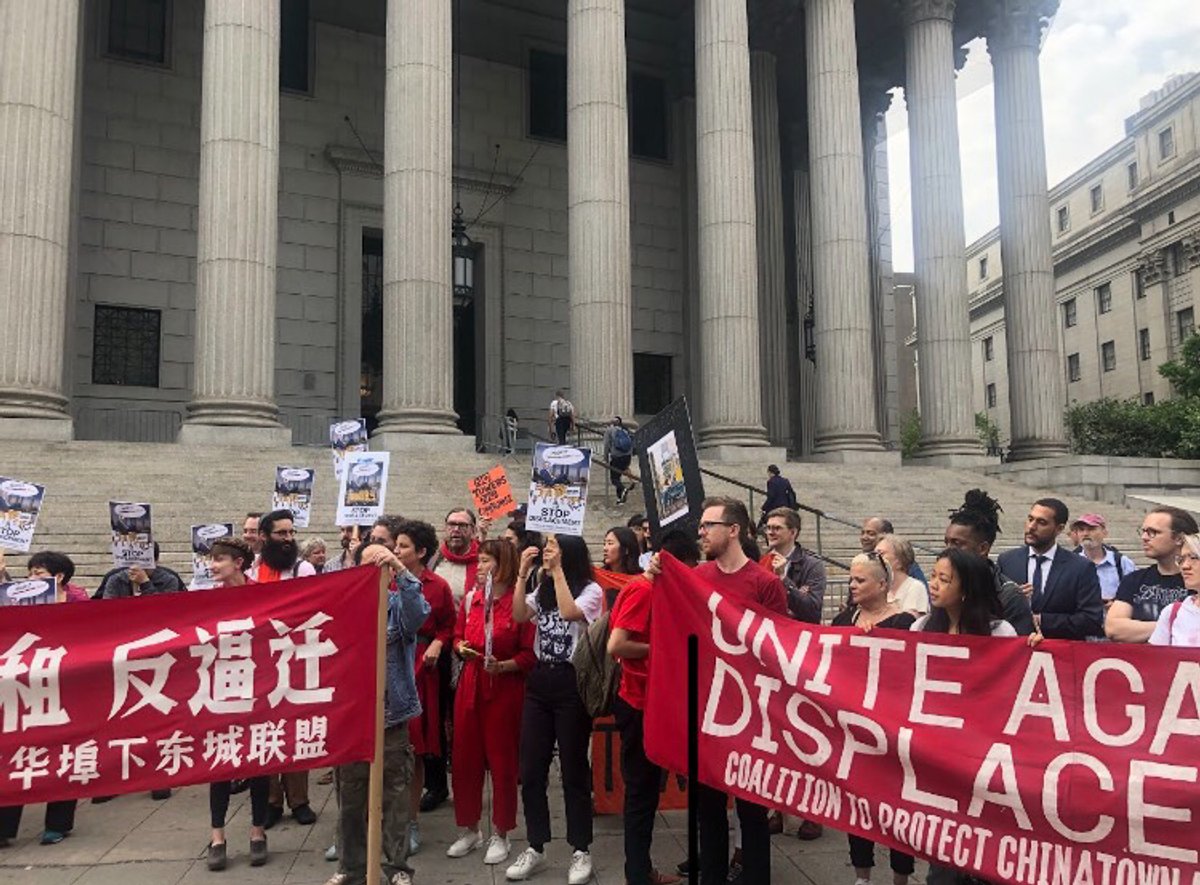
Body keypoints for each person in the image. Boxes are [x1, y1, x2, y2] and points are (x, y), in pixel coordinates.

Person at [914, 548, 1039, 885]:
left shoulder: (1000, 633)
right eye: (934, 576)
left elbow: (1013, 691)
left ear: (966, 589)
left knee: (987, 856)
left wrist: (1035, 653)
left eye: (944, 579)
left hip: (985, 760)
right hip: (937, 758)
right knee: (942, 864)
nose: (934, 585)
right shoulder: (920, 628)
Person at [688, 496, 787, 885]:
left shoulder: (765, 584)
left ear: (734, 530)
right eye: (700, 525)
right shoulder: (696, 577)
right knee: (708, 809)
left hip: (751, 713)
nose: (701, 531)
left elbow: (779, 647)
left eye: (708, 524)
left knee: (752, 810)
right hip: (709, 709)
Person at [324, 540, 429, 885]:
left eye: (381, 566)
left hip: (390, 716)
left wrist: (399, 569)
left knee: (394, 799)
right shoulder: (343, 608)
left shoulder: (398, 607)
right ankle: (350, 867)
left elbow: (419, 613)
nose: (375, 573)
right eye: (368, 566)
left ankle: (396, 867)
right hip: (351, 719)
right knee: (351, 799)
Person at [506, 535, 603, 883]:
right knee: (531, 769)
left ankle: (581, 848)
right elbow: (519, 614)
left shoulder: (590, 589)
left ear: (569, 554)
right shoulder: (541, 587)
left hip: (571, 682)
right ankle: (536, 845)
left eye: (553, 548)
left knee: (574, 768)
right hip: (539, 681)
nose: (547, 553)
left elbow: (569, 612)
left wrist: (557, 572)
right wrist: (521, 575)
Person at [608, 530, 696, 885]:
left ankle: (640, 871)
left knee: (645, 791)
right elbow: (618, 644)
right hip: (639, 703)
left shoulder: (649, 587)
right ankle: (639, 874)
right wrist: (664, 646)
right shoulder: (644, 590)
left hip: (650, 699)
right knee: (642, 793)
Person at [446, 540, 536, 867]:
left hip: (505, 687)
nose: (480, 567)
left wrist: (503, 665)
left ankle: (502, 830)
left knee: (502, 761)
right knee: (465, 757)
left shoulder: (520, 603)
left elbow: (528, 655)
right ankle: (469, 827)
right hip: (470, 682)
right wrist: (462, 648)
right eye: (480, 561)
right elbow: (457, 636)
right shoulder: (472, 599)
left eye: (486, 561)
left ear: (504, 564)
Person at [833, 551, 917, 885]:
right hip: (855, 730)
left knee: (899, 809)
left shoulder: (905, 624)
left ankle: (901, 876)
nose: (852, 585)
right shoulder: (843, 621)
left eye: (860, 580)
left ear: (882, 584)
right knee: (858, 806)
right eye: (851, 579)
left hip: (894, 732)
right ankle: (862, 877)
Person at [0, 552, 90, 847]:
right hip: (23, 686)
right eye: (29, 573)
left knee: (64, 751)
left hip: (65, 686)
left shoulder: (78, 604)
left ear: (58, 577)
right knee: (14, 751)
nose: (31, 579)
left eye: (37, 573)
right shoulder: (15, 601)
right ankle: (4, 825)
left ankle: (58, 824)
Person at [201, 536, 270, 871]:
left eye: (219, 559)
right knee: (220, 762)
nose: (212, 565)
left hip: (256, 687)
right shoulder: (207, 601)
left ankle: (258, 832)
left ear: (239, 563)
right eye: (210, 559)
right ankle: (218, 836)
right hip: (219, 689)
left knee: (258, 760)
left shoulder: (263, 595)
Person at [392, 520, 455, 858]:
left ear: (420, 552)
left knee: (414, 748)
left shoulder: (437, 585)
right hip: (387, 663)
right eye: (395, 545)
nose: (396, 552)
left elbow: (448, 625)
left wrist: (439, 644)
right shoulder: (382, 580)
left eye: (402, 546)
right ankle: (366, 824)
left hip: (419, 666)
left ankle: (411, 821)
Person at [250, 510, 318, 827]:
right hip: (259, 663)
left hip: (295, 658)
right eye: (281, 534)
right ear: (265, 537)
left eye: (291, 533)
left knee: (294, 731)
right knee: (265, 733)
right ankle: (271, 801)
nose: (288, 539)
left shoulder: (303, 569)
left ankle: (299, 800)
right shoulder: (251, 571)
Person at [423, 507, 481, 812]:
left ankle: (468, 780)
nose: (456, 529)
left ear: (473, 530)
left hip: (470, 649)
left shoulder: (484, 563)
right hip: (436, 648)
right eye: (451, 524)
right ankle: (435, 785)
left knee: (464, 718)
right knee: (433, 717)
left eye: (462, 525)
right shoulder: (433, 560)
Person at [997, 498, 1103, 640]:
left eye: (1041, 522)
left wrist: (1042, 620)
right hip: (1015, 652)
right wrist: (1012, 599)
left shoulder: (1081, 567)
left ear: (1059, 528)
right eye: (1030, 519)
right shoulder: (1007, 561)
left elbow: (1091, 619)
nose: (1031, 527)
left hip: (1060, 654)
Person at [943, 488, 1034, 635]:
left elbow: (1017, 650)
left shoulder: (1009, 596)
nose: (948, 550)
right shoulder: (942, 587)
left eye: (957, 543)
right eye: (946, 542)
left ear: (983, 548)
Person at [1106, 505, 1199, 642]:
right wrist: (1172, 624)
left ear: (1179, 538)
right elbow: (1114, 628)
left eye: (1153, 532)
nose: (1144, 537)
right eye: (1143, 531)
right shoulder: (1134, 579)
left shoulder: (1194, 581)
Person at [760, 507, 825, 625]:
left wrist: (783, 579)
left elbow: (812, 611)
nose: (770, 532)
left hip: (797, 634)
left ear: (793, 532)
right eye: (768, 528)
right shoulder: (761, 561)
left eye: (777, 528)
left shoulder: (813, 565)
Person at [1149, 532, 1200, 646]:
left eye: (1194, 557)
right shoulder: (1172, 612)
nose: (1185, 566)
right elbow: (1155, 659)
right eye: (1181, 559)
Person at [1071, 513, 1135, 603]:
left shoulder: (1121, 562)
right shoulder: (1070, 564)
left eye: (1091, 529)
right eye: (1081, 530)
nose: (1085, 533)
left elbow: (1135, 592)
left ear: (1104, 533)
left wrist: (1117, 604)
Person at [98, 542, 184, 598]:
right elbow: (108, 609)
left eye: (145, 563)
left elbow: (165, 609)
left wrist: (145, 584)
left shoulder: (169, 580)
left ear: (156, 561)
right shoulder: (116, 579)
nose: (139, 568)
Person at [874, 534, 929, 617]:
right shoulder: (878, 588)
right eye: (874, 555)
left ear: (899, 560)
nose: (875, 559)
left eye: (881, 554)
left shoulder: (915, 587)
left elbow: (910, 622)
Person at [861, 516, 926, 585]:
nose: (864, 537)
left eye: (871, 534)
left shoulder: (906, 564)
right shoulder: (862, 563)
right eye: (862, 533)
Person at [599, 525, 643, 608]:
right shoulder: (599, 577)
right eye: (604, 544)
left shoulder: (641, 580)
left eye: (610, 543)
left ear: (626, 549)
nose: (605, 548)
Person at [603, 416, 636, 504]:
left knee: (614, 479)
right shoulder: (625, 430)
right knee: (619, 475)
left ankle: (623, 488)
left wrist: (605, 457)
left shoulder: (609, 431)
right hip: (627, 456)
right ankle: (620, 498)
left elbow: (606, 445)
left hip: (617, 457)